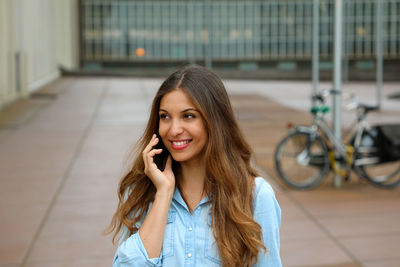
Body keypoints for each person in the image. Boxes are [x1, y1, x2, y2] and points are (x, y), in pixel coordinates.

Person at [106, 65, 282, 267]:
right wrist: (163, 193)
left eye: (188, 116)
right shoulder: (140, 192)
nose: (173, 130)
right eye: (165, 116)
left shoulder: (256, 196)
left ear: (214, 121)